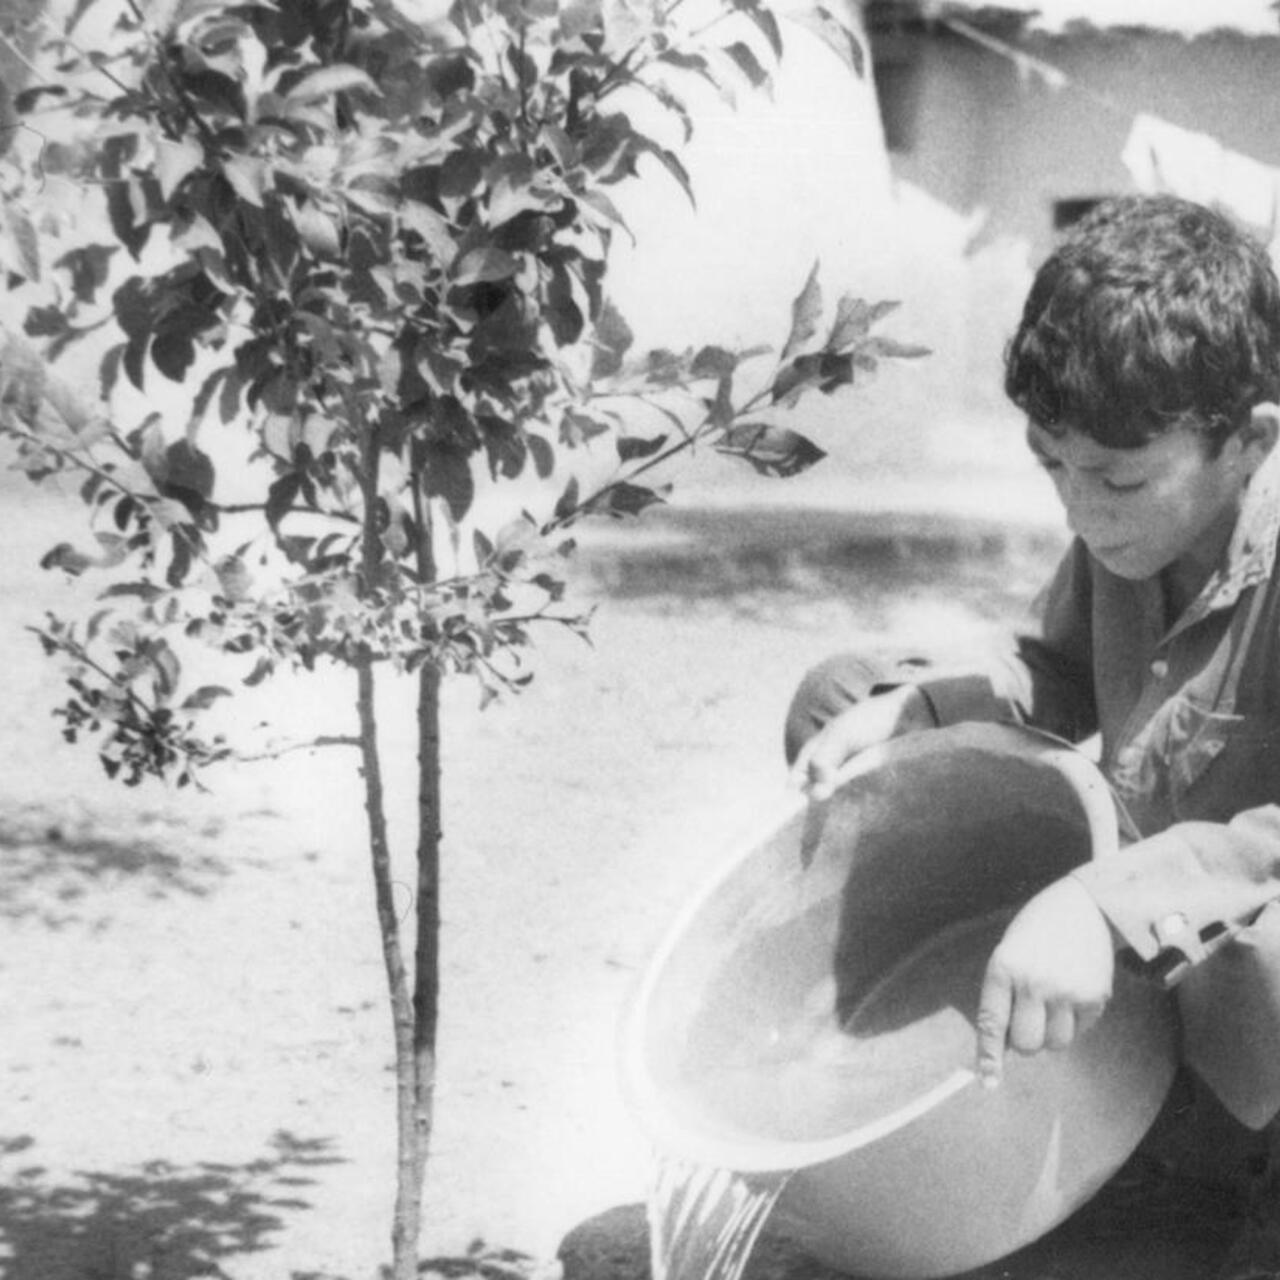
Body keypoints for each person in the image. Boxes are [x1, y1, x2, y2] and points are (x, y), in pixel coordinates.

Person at [785, 194, 1280, 1279]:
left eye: (1111, 477)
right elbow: (1050, 669)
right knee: (843, 696)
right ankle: (989, 1083)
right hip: (1151, 926)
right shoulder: (1132, 530)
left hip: (1233, 950)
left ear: (1245, 442)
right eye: (1050, 465)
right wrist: (918, 707)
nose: (1077, 508)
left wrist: (1098, 903)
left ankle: (1241, 1210)